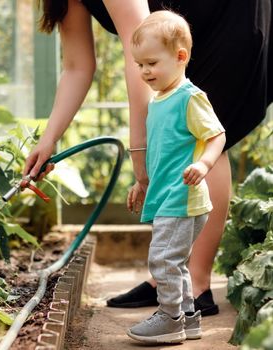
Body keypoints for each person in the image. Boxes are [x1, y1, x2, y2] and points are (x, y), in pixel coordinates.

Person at [24, 0, 271, 317]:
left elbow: (134, 50)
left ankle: (195, 287)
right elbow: (77, 66)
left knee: (202, 137)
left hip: (231, 16)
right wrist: (48, 140)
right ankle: (167, 282)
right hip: (180, 35)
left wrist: (139, 147)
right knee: (185, 131)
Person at [125, 10, 226, 343]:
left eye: (151, 63)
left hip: (183, 197)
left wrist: (205, 165)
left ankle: (169, 318)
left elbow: (216, 135)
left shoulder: (189, 98)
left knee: (163, 259)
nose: (144, 71)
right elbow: (161, 154)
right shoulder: (160, 100)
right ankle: (188, 317)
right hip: (167, 195)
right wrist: (142, 183)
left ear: (180, 56)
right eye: (139, 65)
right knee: (176, 262)